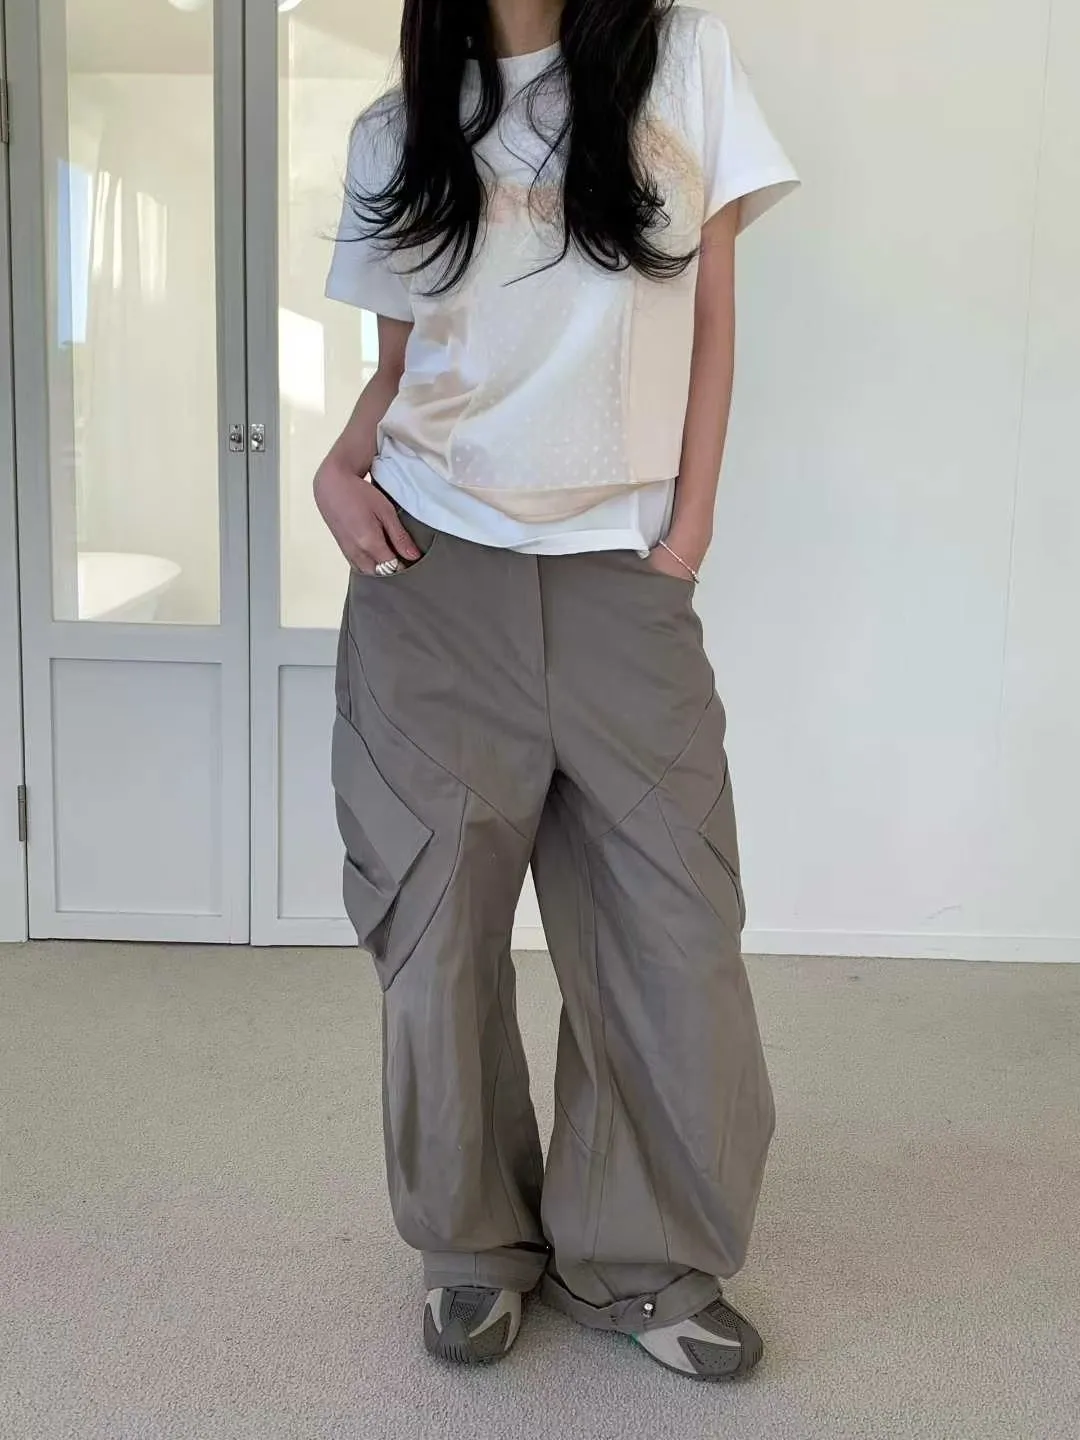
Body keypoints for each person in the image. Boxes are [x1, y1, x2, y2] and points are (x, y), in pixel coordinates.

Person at [316, 0, 798, 1381]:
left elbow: (711, 313)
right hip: (431, 572)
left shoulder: (683, 60)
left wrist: (686, 532)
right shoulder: (395, 131)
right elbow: (403, 370)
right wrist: (336, 468)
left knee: (671, 927)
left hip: (621, 576)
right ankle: (471, 1247)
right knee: (438, 930)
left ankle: (640, 1260)